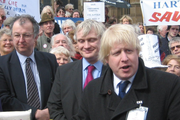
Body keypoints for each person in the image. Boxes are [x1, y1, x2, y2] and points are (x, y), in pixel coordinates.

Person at [72, 24, 180, 120]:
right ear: (106, 59)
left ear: (137, 52)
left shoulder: (168, 85)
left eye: (129, 51)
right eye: (117, 53)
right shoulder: (93, 90)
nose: (124, 58)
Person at [47, 19, 108, 120]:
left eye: (92, 40)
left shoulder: (115, 71)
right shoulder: (63, 72)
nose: (86, 46)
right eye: (81, 41)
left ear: (103, 40)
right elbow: (54, 107)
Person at [0, 15, 58, 120]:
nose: (21, 40)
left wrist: (48, 111)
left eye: (26, 35)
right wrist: (34, 113)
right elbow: (4, 98)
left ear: (36, 36)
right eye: (17, 35)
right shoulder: (2, 64)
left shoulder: (50, 60)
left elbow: (58, 91)